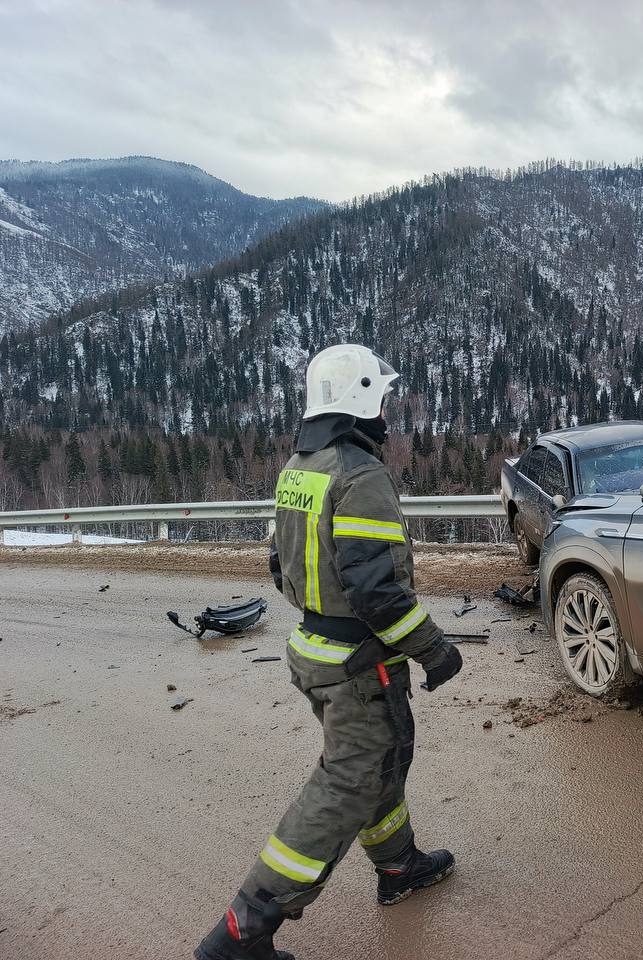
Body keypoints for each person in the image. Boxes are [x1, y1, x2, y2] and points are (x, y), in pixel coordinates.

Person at [196, 344, 463, 960]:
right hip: (355, 661)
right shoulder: (359, 474)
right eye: (383, 396)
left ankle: (399, 868)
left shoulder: (300, 467)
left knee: (380, 760)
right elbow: (377, 589)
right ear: (362, 396)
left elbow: (277, 564)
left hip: (315, 649)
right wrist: (433, 649)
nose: (388, 410)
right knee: (349, 781)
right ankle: (242, 933)